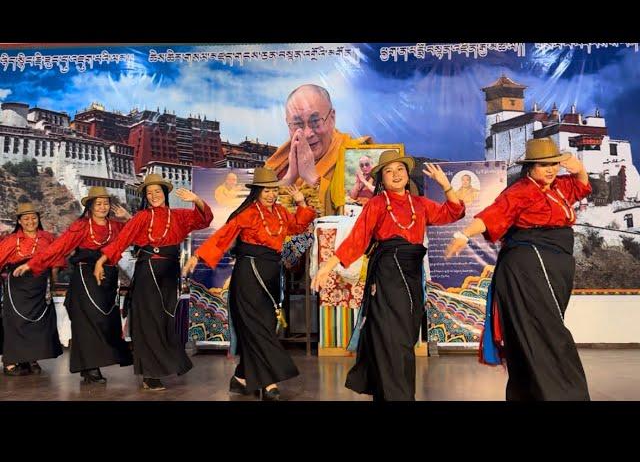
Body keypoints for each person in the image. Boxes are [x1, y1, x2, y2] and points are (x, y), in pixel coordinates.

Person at [445, 137, 592, 401]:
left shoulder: (559, 186)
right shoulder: (520, 191)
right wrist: (463, 235)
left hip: (555, 262)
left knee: (545, 327)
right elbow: (491, 215)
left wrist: (577, 166)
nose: (550, 169)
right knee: (544, 330)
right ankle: (561, 394)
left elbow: (581, 185)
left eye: (554, 164)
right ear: (530, 167)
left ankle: (530, 394)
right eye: (543, 165)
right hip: (529, 263)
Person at [312, 150, 465, 401]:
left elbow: (454, 213)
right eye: (389, 171)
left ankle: (391, 394)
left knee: (404, 341)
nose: (396, 174)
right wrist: (328, 265)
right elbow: (357, 238)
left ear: (407, 174)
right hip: (387, 273)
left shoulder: (420, 204)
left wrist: (446, 185)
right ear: (381, 178)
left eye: (400, 169)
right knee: (389, 337)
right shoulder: (377, 203)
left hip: (411, 275)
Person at [183, 167, 316, 401]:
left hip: (272, 275)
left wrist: (300, 201)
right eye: (266, 190)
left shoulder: (281, 212)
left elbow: (297, 226)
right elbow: (222, 236)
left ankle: (242, 378)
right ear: (256, 191)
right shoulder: (247, 213)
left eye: (274, 190)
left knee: (264, 324)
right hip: (249, 273)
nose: (271, 195)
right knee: (257, 327)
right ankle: (269, 381)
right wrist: (196, 256)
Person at [93, 174, 213, 391]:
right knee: (149, 321)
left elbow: (204, 219)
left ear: (165, 193)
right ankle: (150, 374)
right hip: (148, 270)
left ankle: (160, 367)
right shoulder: (140, 217)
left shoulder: (178, 216)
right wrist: (101, 260)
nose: (153, 195)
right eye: (149, 193)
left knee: (164, 320)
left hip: (170, 272)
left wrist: (196, 200)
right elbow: (122, 241)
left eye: (157, 191)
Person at [13, 187, 133, 383]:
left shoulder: (115, 226)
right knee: (90, 321)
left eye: (106, 203)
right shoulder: (82, 226)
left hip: (108, 278)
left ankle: (89, 366)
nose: (103, 207)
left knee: (105, 321)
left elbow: (136, 233)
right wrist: (31, 264)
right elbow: (58, 247)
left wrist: (128, 218)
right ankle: (91, 368)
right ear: (90, 207)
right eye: (98, 204)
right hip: (86, 276)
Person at [265, 84, 373, 215]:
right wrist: (290, 177)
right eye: (297, 124)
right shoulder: (280, 164)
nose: (307, 133)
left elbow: (357, 213)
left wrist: (312, 178)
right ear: (288, 124)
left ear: (332, 118)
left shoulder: (354, 153)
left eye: (315, 122)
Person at [0, 202, 64, 376]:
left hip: (40, 286)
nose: (30, 221)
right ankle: (10, 362)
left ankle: (31, 358)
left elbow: (56, 261)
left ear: (39, 219)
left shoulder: (47, 238)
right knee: (16, 323)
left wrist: (53, 282)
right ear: (19, 221)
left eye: (33, 218)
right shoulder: (12, 240)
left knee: (37, 324)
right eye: (26, 218)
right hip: (17, 288)